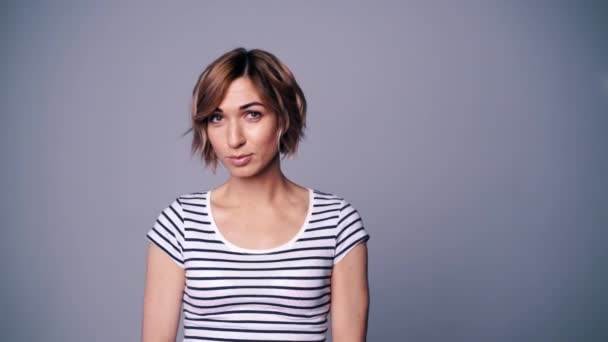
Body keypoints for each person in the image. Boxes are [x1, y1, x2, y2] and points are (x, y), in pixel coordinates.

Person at [141, 47, 370, 342]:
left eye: (252, 114)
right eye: (216, 118)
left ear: (283, 117)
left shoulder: (337, 222)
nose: (233, 139)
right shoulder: (181, 223)